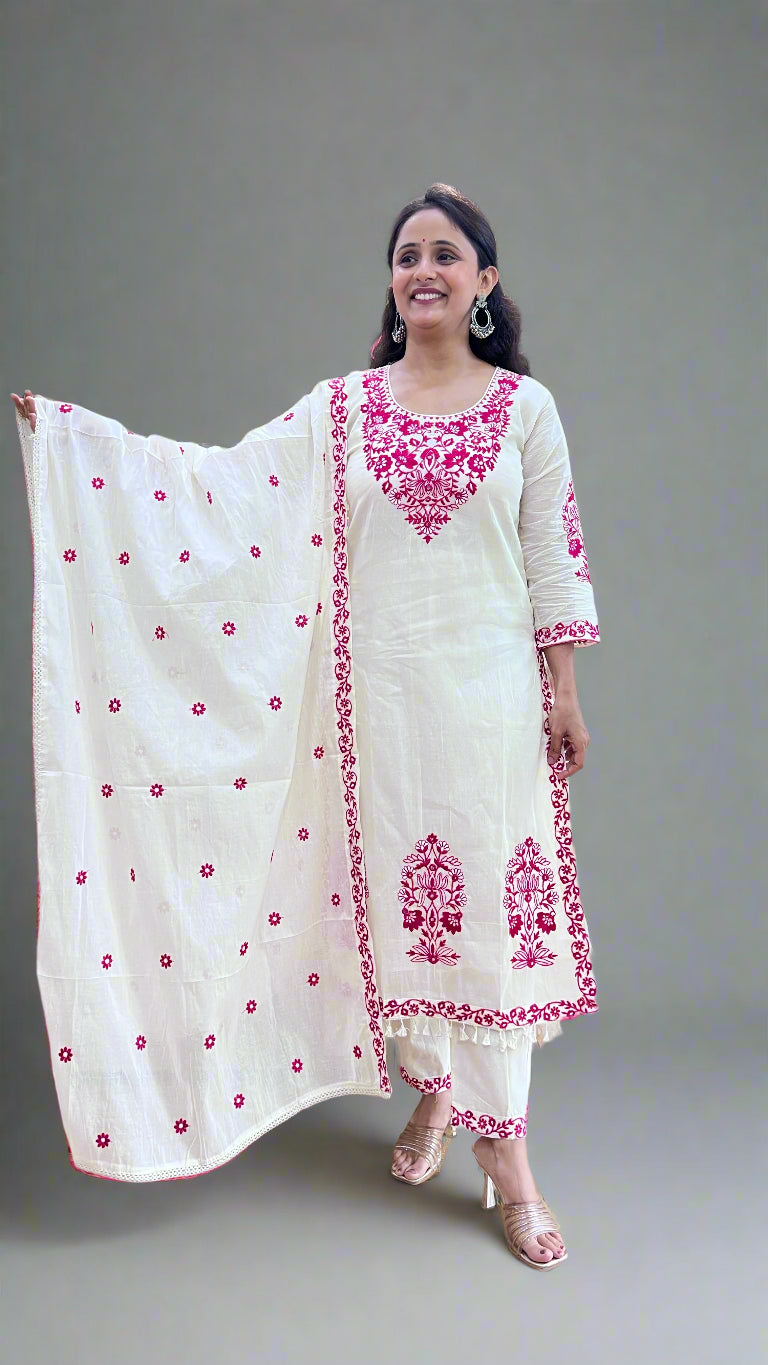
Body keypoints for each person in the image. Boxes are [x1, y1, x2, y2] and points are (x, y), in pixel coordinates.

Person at [12, 182, 600, 1271]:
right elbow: (223, 490)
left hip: (492, 707)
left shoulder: (527, 409)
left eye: (445, 254)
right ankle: (436, 1095)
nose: (423, 270)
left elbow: (553, 558)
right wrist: (81, 446)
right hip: (376, 711)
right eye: (406, 254)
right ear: (392, 281)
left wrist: (563, 690)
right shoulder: (343, 410)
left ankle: (507, 1159)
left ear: (484, 280)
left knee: (484, 913)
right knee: (403, 910)